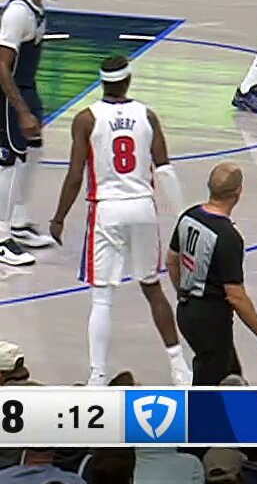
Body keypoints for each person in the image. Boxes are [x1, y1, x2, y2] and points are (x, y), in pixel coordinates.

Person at [49, 55, 190, 387]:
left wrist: (59, 217)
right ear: (128, 81)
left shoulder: (86, 119)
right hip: (142, 207)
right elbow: (165, 170)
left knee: (102, 297)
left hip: (107, 209)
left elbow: (75, 175)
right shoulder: (147, 115)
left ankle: (97, 376)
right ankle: (180, 368)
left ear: (102, 83)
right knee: (152, 288)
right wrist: (182, 214)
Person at [167, 163, 257, 386]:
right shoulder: (228, 237)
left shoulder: (189, 216)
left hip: (186, 310)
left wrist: (182, 291)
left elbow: (171, 260)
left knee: (230, 373)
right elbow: (236, 296)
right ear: (238, 192)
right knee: (210, 380)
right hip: (211, 318)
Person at [0, 0, 58, 267]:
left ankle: (19, 222)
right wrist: (21, 110)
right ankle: (1, 235)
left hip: (27, 87)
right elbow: (2, 65)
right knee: (9, 162)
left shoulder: (37, 7)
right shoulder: (18, 14)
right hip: (10, 94)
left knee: (33, 151)